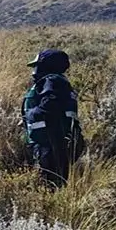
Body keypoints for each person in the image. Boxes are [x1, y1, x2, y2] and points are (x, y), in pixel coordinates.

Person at [22, 50, 85, 188]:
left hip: (50, 145)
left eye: (37, 66)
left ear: (46, 66)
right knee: (55, 184)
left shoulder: (52, 81)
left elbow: (50, 105)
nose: (34, 71)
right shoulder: (58, 82)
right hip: (55, 143)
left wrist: (31, 114)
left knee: (49, 185)